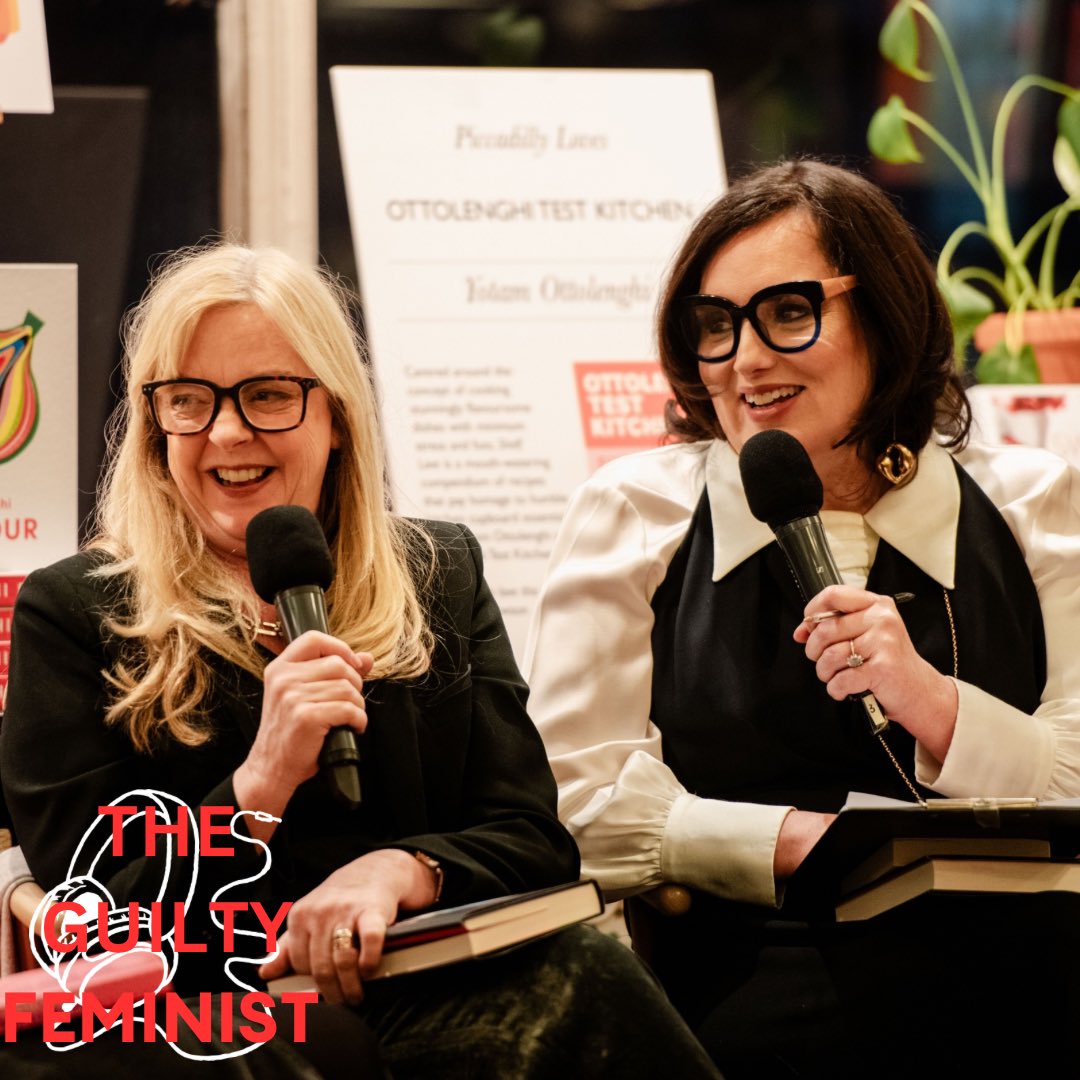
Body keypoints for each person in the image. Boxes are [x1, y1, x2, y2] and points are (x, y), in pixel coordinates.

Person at [0, 243, 721, 1079]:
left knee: (587, 978)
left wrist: (401, 871)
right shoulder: (77, 612)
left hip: (417, 988)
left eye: (268, 395)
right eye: (190, 400)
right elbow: (88, 920)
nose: (227, 431)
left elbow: (532, 840)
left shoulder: (439, 575)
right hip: (212, 1016)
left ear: (336, 418)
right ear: (156, 425)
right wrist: (258, 787)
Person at [523, 160, 1080, 1078]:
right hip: (749, 997)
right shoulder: (637, 514)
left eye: (787, 312)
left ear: (887, 315)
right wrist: (782, 845)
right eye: (715, 326)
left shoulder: (1032, 503)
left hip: (1025, 984)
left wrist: (935, 704)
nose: (745, 361)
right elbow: (567, 806)